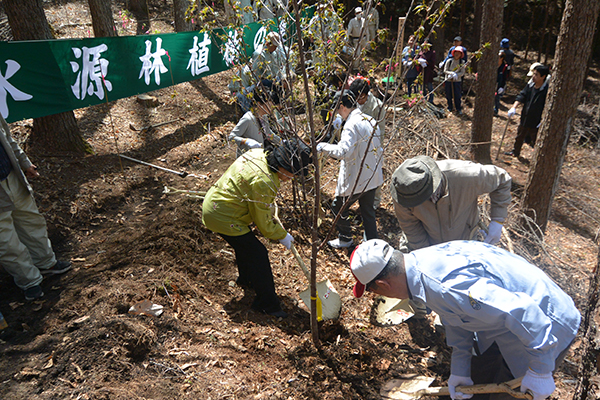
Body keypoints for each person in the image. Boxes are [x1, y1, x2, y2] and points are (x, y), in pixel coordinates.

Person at [350, 239, 580, 400]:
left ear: (383, 285)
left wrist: (539, 371)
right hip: (505, 325)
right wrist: (460, 369)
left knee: (513, 394)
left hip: (547, 325)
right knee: (488, 377)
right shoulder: (419, 266)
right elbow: (455, 316)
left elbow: (522, 311)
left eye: (375, 292)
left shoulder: (446, 285)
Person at [202, 140, 312, 318]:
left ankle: (247, 279)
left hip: (216, 204)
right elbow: (263, 224)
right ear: (282, 166)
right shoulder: (264, 181)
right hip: (223, 216)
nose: (291, 178)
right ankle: (267, 304)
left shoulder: (258, 154)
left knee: (245, 245)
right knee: (258, 253)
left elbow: (254, 200)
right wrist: (283, 236)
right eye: (291, 174)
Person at [0, 116, 71, 301]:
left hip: (11, 177)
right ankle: (29, 281)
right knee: (6, 241)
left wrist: (25, 163)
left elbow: (7, 137)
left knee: (32, 221)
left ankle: (46, 263)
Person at [390, 155, 512, 252]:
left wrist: (497, 220)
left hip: (465, 243)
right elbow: (412, 229)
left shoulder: (466, 176)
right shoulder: (403, 192)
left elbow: (502, 179)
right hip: (427, 244)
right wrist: (427, 256)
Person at [317, 90, 383, 248]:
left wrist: (322, 146)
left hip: (357, 178)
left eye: (337, 109)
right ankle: (372, 244)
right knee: (368, 211)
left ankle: (345, 238)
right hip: (372, 176)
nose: (337, 113)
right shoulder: (370, 119)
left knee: (337, 207)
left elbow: (343, 152)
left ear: (342, 106)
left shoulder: (351, 125)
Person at [349, 77, 386, 209]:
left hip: (372, 145)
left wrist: (375, 148)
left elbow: (381, 130)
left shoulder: (377, 106)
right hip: (356, 143)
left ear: (366, 94)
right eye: (356, 98)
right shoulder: (351, 102)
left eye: (361, 97)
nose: (358, 100)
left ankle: (374, 203)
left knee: (373, 173)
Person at [505, 63, 550, 158]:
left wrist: (543, 120)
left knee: (537, 141)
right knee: (519, 136)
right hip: (525, 117)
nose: (533, 76)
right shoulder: (530, 85)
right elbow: (522, 95)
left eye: (536, 75)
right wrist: (514, 107)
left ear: (543, 77)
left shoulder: (546, 91)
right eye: (534, 74)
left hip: (537, 121)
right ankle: (515, 152)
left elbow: (548, 107)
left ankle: (539, 159)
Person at [228, 87, 283, 157]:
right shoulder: (248, 119)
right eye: (269, 105)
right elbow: (232, 136)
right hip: (246, 158)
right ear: (259, 104)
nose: (271, 108)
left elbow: (268, 133)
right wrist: (246, 141)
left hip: (258, 156)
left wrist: (281, 142)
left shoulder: (264, 117)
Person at [443, 46, 466, 114]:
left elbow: (462, 72)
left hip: (457, 81)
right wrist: (450, 73)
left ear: (461, 54)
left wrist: (457, 75)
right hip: (448, 80)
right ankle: (450, 107)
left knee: (457, 95)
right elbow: (445, 70)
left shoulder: (462, 62)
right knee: (448, 94)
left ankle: (458, 108)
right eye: (456, 52)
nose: (457, 54)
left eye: (459, 53)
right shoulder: (449, 61)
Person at [418, 38, 437, 104]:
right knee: (422, 86)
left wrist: (426, 62)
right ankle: (424, 99)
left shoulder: (432, 53)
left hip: (428, 71)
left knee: (429, 86)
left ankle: (431, 99)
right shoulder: (421, 52)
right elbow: (417, 58)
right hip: (421, 71)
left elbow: (432, 62)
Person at [495, 50, 509, 116]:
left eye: (499, 57)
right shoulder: (493, 65)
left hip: (499, 85)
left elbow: (504, 78)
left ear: (502, 58)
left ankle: (495, 110)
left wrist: (502, 87)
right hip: (493, 83)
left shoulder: (504, 67)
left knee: (497, 98)